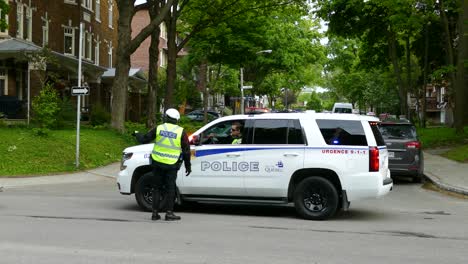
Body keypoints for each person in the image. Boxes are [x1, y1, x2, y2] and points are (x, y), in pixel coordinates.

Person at [140, 108, 191, 221]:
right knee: (170, 188)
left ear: (166, 118)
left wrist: (137, 135)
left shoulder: (159, 128)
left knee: (156, 188)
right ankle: (169, 213)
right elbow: (186, 150)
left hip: (157, 163)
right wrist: (188, 166)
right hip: (171, 165)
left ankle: (154, 213)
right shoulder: (181, 132)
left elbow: (145, 139)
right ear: (177, 120)